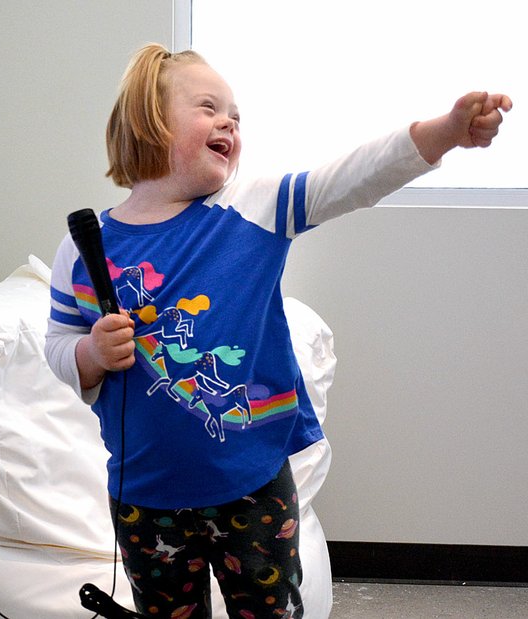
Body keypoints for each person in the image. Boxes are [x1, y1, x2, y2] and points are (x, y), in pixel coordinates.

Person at [44, 43, 511, 618]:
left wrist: (443, 132)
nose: (230, 123)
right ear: (149, 120)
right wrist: (89, 352)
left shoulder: (253, 206)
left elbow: (353, 177)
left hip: (253, 485)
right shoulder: (83, 247)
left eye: (236, 117)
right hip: (143, 497)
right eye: (209, 107)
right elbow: (58, 345)